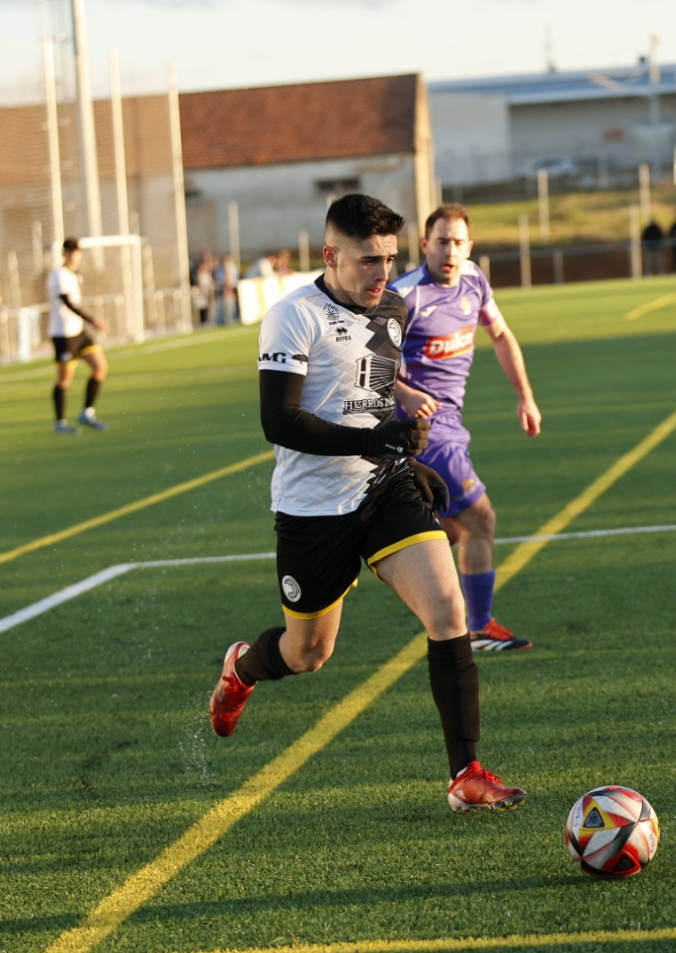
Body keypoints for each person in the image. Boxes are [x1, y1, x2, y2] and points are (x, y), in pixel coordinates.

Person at [206, 193, 528, 812]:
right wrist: (375, 436)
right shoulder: (292, 316)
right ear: (330, 255)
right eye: (367, 261)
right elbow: (280, 421)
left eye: (389, 258)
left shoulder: (394, 307)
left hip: (384, 487)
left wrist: (406, 448)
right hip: (312, 508)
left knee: (446, 609)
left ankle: (467, 774)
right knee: (309, 654)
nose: (382, 274)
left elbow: (374, 385)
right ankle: (243, 668)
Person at [390, 204, 542, 653]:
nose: (450, 251)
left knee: (453, 531)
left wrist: (525, 396)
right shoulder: (405, 297)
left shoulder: (474, 280)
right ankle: (477, 628)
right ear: (424, 246)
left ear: (469, 247)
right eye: (441, 242)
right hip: (422, 429)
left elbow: (500, 335)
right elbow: (367, 365)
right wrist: (405, 394)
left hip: (453, 422)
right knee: (480, 520)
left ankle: (393, 532)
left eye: (458, 242)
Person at [47, 237, 109, 433]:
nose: (73, 255)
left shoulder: (74, 275)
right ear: (64, 253)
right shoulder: (59, 275)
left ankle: (87, 412)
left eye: (76, 251)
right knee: (64, 380)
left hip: (78, 331)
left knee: (100, 368)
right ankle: (60, 423)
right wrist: (93, 320)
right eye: (69, 251)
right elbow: (68, 302)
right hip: (63, 334)